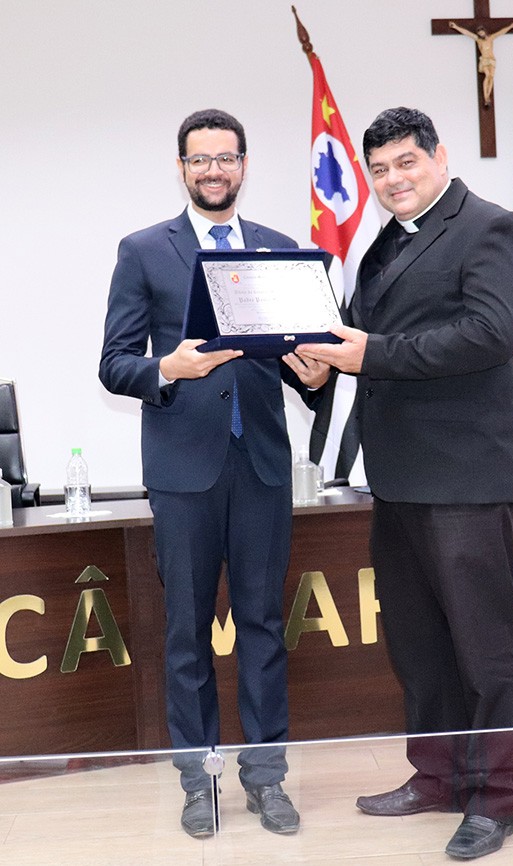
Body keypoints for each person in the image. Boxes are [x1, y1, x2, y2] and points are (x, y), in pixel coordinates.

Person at [295, 107, 513, 860]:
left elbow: (489, 334)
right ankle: (438, 777)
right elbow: (352, 339)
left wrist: (368, 353)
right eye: (379, 170)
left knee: (484, 649)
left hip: (465, 476)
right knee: (419, 644)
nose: (392, 179)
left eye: (406, 162)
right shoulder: (384, 242)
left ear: (438, 157)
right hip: (396, 478)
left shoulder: (492, 228)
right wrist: (311, 365)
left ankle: (497, 798)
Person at [99, 109, 329, 839]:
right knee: (187, 634)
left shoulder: (279, 251)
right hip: (183, 472)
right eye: (199, 160)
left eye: (225, 158)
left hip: (261, 467)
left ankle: (266, 777)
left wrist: (315, 376)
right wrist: (167, 368)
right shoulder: (144, 250)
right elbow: (114, 364)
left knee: (263, 625)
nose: (213, 171)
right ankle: (197, 781)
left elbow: (298, 363)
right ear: (181, 168)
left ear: (243, 165)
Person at [449, 20, 513, 105]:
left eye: (482, 32)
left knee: (491, 77)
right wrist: (456, 27)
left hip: (492, 59)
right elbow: (467, 33)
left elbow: (501, 32)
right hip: (484, 60)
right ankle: (486, 96)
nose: (481, 34)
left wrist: (510, 27)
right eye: (479, 33)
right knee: (487, 75)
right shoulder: (478, 40)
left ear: (484, 31)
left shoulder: (491, 38)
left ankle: (488, 96)